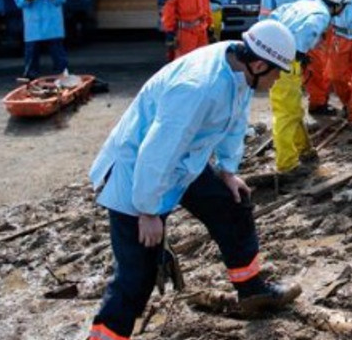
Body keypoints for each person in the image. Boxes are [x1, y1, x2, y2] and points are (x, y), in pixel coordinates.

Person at [87, 21, 303, 338]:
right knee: (137, 276)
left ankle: (252, 290)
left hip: (181, 163)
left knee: (232, 203)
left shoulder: (239, 69)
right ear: (258, 64)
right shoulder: (198, 87)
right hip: (136, 176)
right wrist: (147, 211)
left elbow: (235, 119)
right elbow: (156, 151)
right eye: (277, 74)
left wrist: (228, 172)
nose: (277, 81)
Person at [269, 0, 352, 175]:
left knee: (293, 109)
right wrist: (300, 53)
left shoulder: (303, 4)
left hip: (279, 57)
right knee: (286, 114)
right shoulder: (321, 15)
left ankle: (304, 150)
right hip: (286, 62)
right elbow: (309, 30)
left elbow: (273, 17)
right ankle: (286, 165)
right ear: (338, 4)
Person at [307, 0, 349, 115]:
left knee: (350, 69)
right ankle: (318, 103)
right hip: (328, 27)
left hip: (349, 28)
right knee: (321, 67)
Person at [14, 0, 68, 81]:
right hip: (34, 27)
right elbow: (19, 1)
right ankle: (30, 77)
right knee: (31, 55)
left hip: (52, 25)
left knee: (58, 54)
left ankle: (62, 76)